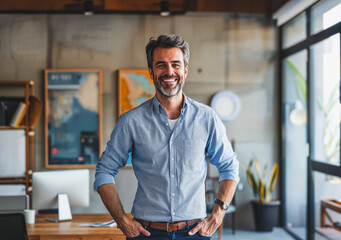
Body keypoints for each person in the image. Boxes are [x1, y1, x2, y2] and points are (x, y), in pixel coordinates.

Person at [94, 34, 239, 240]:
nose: (169, 71)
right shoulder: (131, 121)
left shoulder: (207, 118)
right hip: (146, 233)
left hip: (194, 233)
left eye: (176, 64)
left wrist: (218, 214)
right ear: (151, 72)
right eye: (161, 65)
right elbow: (104, 171)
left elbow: (229, 166)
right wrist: (122, 220)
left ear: (185, 70)